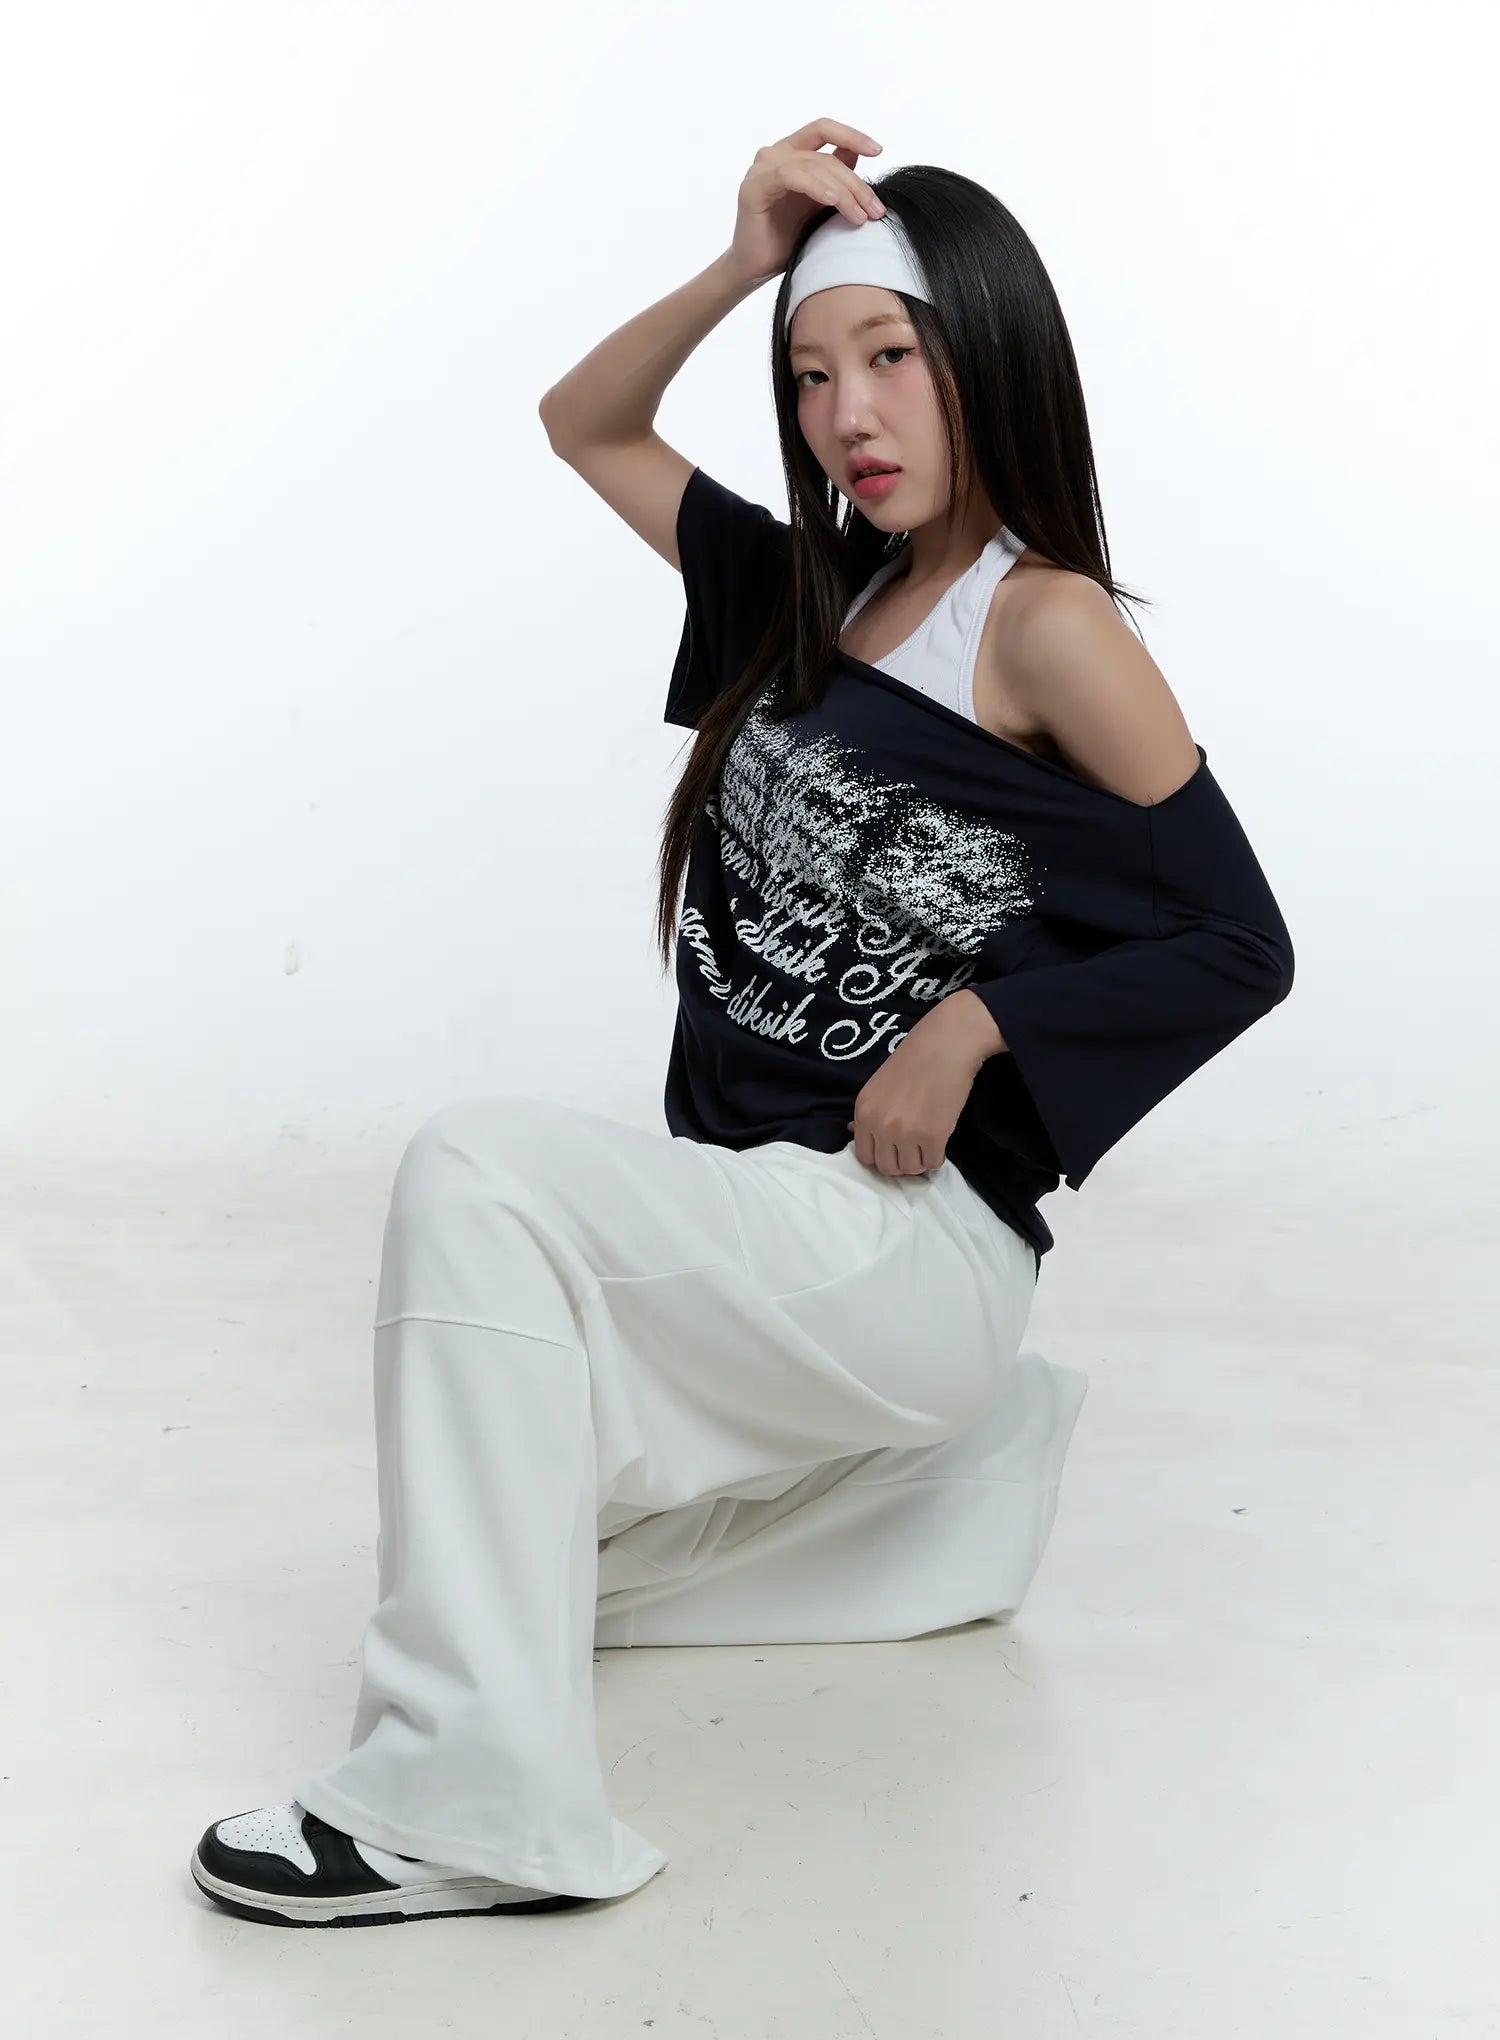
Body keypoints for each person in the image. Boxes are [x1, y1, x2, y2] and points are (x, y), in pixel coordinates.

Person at [189, 118, 1294, 1929]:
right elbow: (587, 424)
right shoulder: (808, 595)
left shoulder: (1043, 624)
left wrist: (978, 1025)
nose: (850, 413)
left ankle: (470, 1800)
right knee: (515, 1524)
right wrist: (741, 260)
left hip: (901, 1239)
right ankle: (950, 1497)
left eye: (892, 357)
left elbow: (1239, 941)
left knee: (479, 1176)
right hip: (767, 1227)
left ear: (988, 352)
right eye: (811, 373)